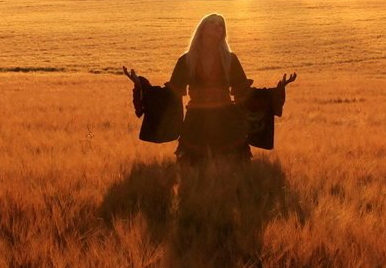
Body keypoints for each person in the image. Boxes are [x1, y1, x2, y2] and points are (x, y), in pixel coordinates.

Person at [124, 13, 296, 164]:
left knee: (232, 167)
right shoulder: (186, 60)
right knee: (193, 168)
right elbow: (172, 92)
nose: (217, 26)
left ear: (223, 33)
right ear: (202, 29)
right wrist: (140, 84)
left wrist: (276, 91)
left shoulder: (230, 59)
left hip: (226, 118)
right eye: (212, 23)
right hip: (196, 120)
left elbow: (243, 91)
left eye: (220, 25)